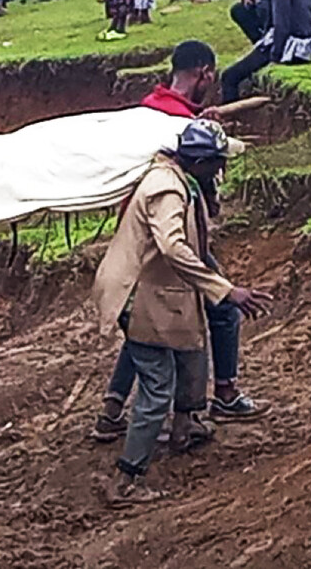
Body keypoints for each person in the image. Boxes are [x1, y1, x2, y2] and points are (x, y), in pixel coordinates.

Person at [93, 42, 273, 444]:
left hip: (140, 235)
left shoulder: (152, 108)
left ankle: (113, 406)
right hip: (169, 236)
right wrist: (224, 288)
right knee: (221, 312)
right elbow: (177, 239)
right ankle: (219, 394)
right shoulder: (177, 127)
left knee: (145, 327)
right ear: (206, 73)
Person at [95, 118, 272, 503]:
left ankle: (186, 424)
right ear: (202, 162)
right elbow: (173, 246)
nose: (221, 171)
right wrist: (223, 290)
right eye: (217, 164)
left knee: (191, 345)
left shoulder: (179, 179)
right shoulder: (167, 190)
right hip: (138, 295)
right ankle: (127, 478)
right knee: (157, 384)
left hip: (157, 292)